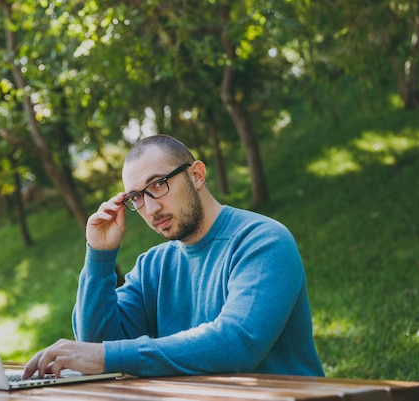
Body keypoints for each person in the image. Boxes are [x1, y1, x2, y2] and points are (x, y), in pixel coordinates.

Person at [23, 134, 324, 378]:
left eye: (158, 184)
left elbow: (237, 342)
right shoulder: (153, 265)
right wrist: (100, 256)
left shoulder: (263, 241)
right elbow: (96, 344)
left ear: (196, 175)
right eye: (137, 197)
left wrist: (109, 356)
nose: (151, 209)